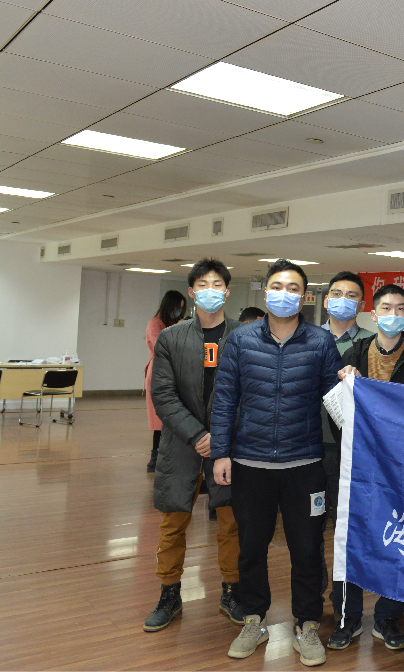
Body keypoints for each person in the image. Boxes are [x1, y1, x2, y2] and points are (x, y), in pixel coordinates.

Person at [210, 259, 343, 667]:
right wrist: (221, 452)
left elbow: (336, 401)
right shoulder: (240, 340)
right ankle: (254, 619)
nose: (284, 294)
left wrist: (349, 383)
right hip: (250, 464)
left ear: (304, 297)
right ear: (265, 291)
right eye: (277, 286)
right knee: (251, 546)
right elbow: (224, 399)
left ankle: (307, 624)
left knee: (307, 549)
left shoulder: (320, 342)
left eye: (293, 288)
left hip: (305, 464)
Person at [335, 283, 404, 653]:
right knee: (351, 536)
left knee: (400, 537)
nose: (393, 314)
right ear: (374, 315)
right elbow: (335, 411)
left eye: (400, 308)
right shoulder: (354, 353)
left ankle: (388, 617)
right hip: (359, 462)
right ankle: (346, 617)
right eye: (386, 308)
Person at [144, 259, 243, 632]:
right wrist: (198, 435)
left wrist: (220, 437)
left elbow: (250, 394)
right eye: (203, 284)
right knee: (173, 522)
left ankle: (231, 591)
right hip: (182, 444)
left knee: (231, 523)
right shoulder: (171, 338)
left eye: (217, 284)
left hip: (228, 447)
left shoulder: (244, 337)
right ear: (191, 292)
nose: (210, 291)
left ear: (227, 292)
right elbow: (163, 394)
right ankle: (169, 593)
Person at [316, 272, 370, 650]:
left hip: (350, 455)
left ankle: (347, 614)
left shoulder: (369, 345)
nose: (342, 300)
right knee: (308, 531)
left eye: (351, 295)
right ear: (325, 300)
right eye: (336, 293)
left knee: (346, 534)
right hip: (307, 450)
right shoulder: (307, 339)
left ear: (361, 304)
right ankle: (310, 602)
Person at [145, 290, 186, 472]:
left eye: (182, 309)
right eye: (178, 308)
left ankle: (171, 457)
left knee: (174, 417)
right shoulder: (155, 323)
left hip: (176, 373)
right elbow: (163, 347)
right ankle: (155, 459)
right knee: (159, 419)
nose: (179, 312)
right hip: (159, 373)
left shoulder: (174, 323)